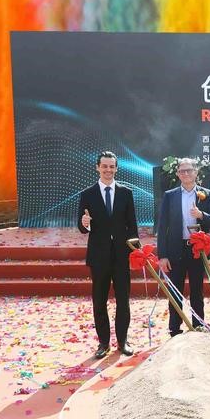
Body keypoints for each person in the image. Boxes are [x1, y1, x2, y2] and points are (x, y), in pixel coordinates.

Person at [77, 150, 139, 358]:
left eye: (112, 166)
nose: (108, 170)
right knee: (99, 301)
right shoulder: (87, 194)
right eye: (104, 166)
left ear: (116, 168)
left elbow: (132, 226)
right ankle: (103, 343)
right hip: (99, 256)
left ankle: (123, 341)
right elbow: (82, 227)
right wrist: (85, 224)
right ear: (98, 167)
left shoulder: (126, 193)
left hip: (121, 256)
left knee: (123, 301)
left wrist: (136, 252)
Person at [157, 158, 210, 335]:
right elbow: (162, 226)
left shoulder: (206, 194)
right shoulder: (170, 196)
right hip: (175, 250)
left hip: (197, 250)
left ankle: (198, 327)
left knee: (197, 291)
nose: (186, 174)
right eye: (182, 171)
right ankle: (174, 329)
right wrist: (162, 255)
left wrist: (201, 215)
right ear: (178, 174)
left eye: (189, 170)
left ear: (196, 172)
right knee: (175, 291)